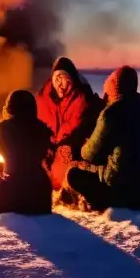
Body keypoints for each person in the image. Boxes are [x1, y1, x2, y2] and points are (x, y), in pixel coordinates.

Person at [63, 66, 140, 212]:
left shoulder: (111, 113)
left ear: (114, 87)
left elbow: (90, 154)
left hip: (123, 193)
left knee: (73, 174)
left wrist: (83, 146)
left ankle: (98, 203)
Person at [36, 57, 100, 190]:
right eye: (57, 78)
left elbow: (78, 130)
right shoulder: (42, 99)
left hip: (70, 151)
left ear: (73, 80)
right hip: (47, 151)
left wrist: (61, 146)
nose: (61, 84)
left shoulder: (82, 100)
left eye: (66, 79)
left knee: (62, 170)